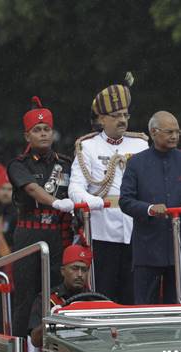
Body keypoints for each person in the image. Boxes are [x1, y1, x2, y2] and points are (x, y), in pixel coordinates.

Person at [68, 78, 149, 303]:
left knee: (133, 295)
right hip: (103, 230)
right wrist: (91, 201)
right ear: (102, 119)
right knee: (103, 294)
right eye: (116, 116)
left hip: (136, 230)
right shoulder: (88, 146)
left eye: (125, 115)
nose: (122, 120)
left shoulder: (141, 145)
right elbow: (75, 188)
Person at [119, 111, 181, 304]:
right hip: (148, 249)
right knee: (144, 308)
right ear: (153, 132)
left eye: (177, 132)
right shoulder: (136, 163)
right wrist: (149, 209)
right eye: (169, 132)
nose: (174, 136)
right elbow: (125, 201)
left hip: (180, 248)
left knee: (180, 307)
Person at [7, 97, 74, 338]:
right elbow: (32, 189)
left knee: (58, 293)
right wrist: (55, 202)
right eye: (37, 130)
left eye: (47, 129)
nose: (43, 134)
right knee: (25, 296)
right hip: (29, 235)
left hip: (58, 234)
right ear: (27, 136)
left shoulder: (66, 164)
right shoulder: (18, 165)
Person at [25, 244, 91, 352]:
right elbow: (34, 340)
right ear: (63, 271)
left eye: (84, 269)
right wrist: (53, 319)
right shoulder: (48, 300)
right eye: (74, 269)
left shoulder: (94, 299)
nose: (80, 274)